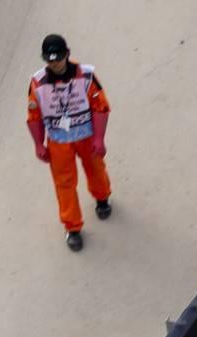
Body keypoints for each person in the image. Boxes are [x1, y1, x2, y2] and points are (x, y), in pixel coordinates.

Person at [27, 34, 112, 252]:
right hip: (58, 141)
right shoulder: (37, 83)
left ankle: (102, 199)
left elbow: (100, 107)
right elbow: (34, 116)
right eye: (50, 60)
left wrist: (99, 139)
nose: (55, 63)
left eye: (58, 58)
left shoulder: (86, 76)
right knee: (64, 183)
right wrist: (38, 144)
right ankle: (72, 227)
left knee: (96, 169)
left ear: (67, 54)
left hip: (86, 135)